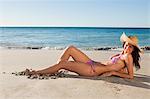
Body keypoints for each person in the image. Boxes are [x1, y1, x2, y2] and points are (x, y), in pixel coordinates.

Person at [27, 33, 143, 79]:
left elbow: (130, 76)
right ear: (123, 44)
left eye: (130, 47)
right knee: (70, 48)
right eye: (126, 45)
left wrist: (113, 73)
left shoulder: (128, 57)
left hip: (92, 70)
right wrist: (118, 69)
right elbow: (122, 69)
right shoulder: (122, 55)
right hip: (92, 63)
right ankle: (56, 69)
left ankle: (38, 72)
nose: (127, 48)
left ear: (133, 50)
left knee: (63, 64)